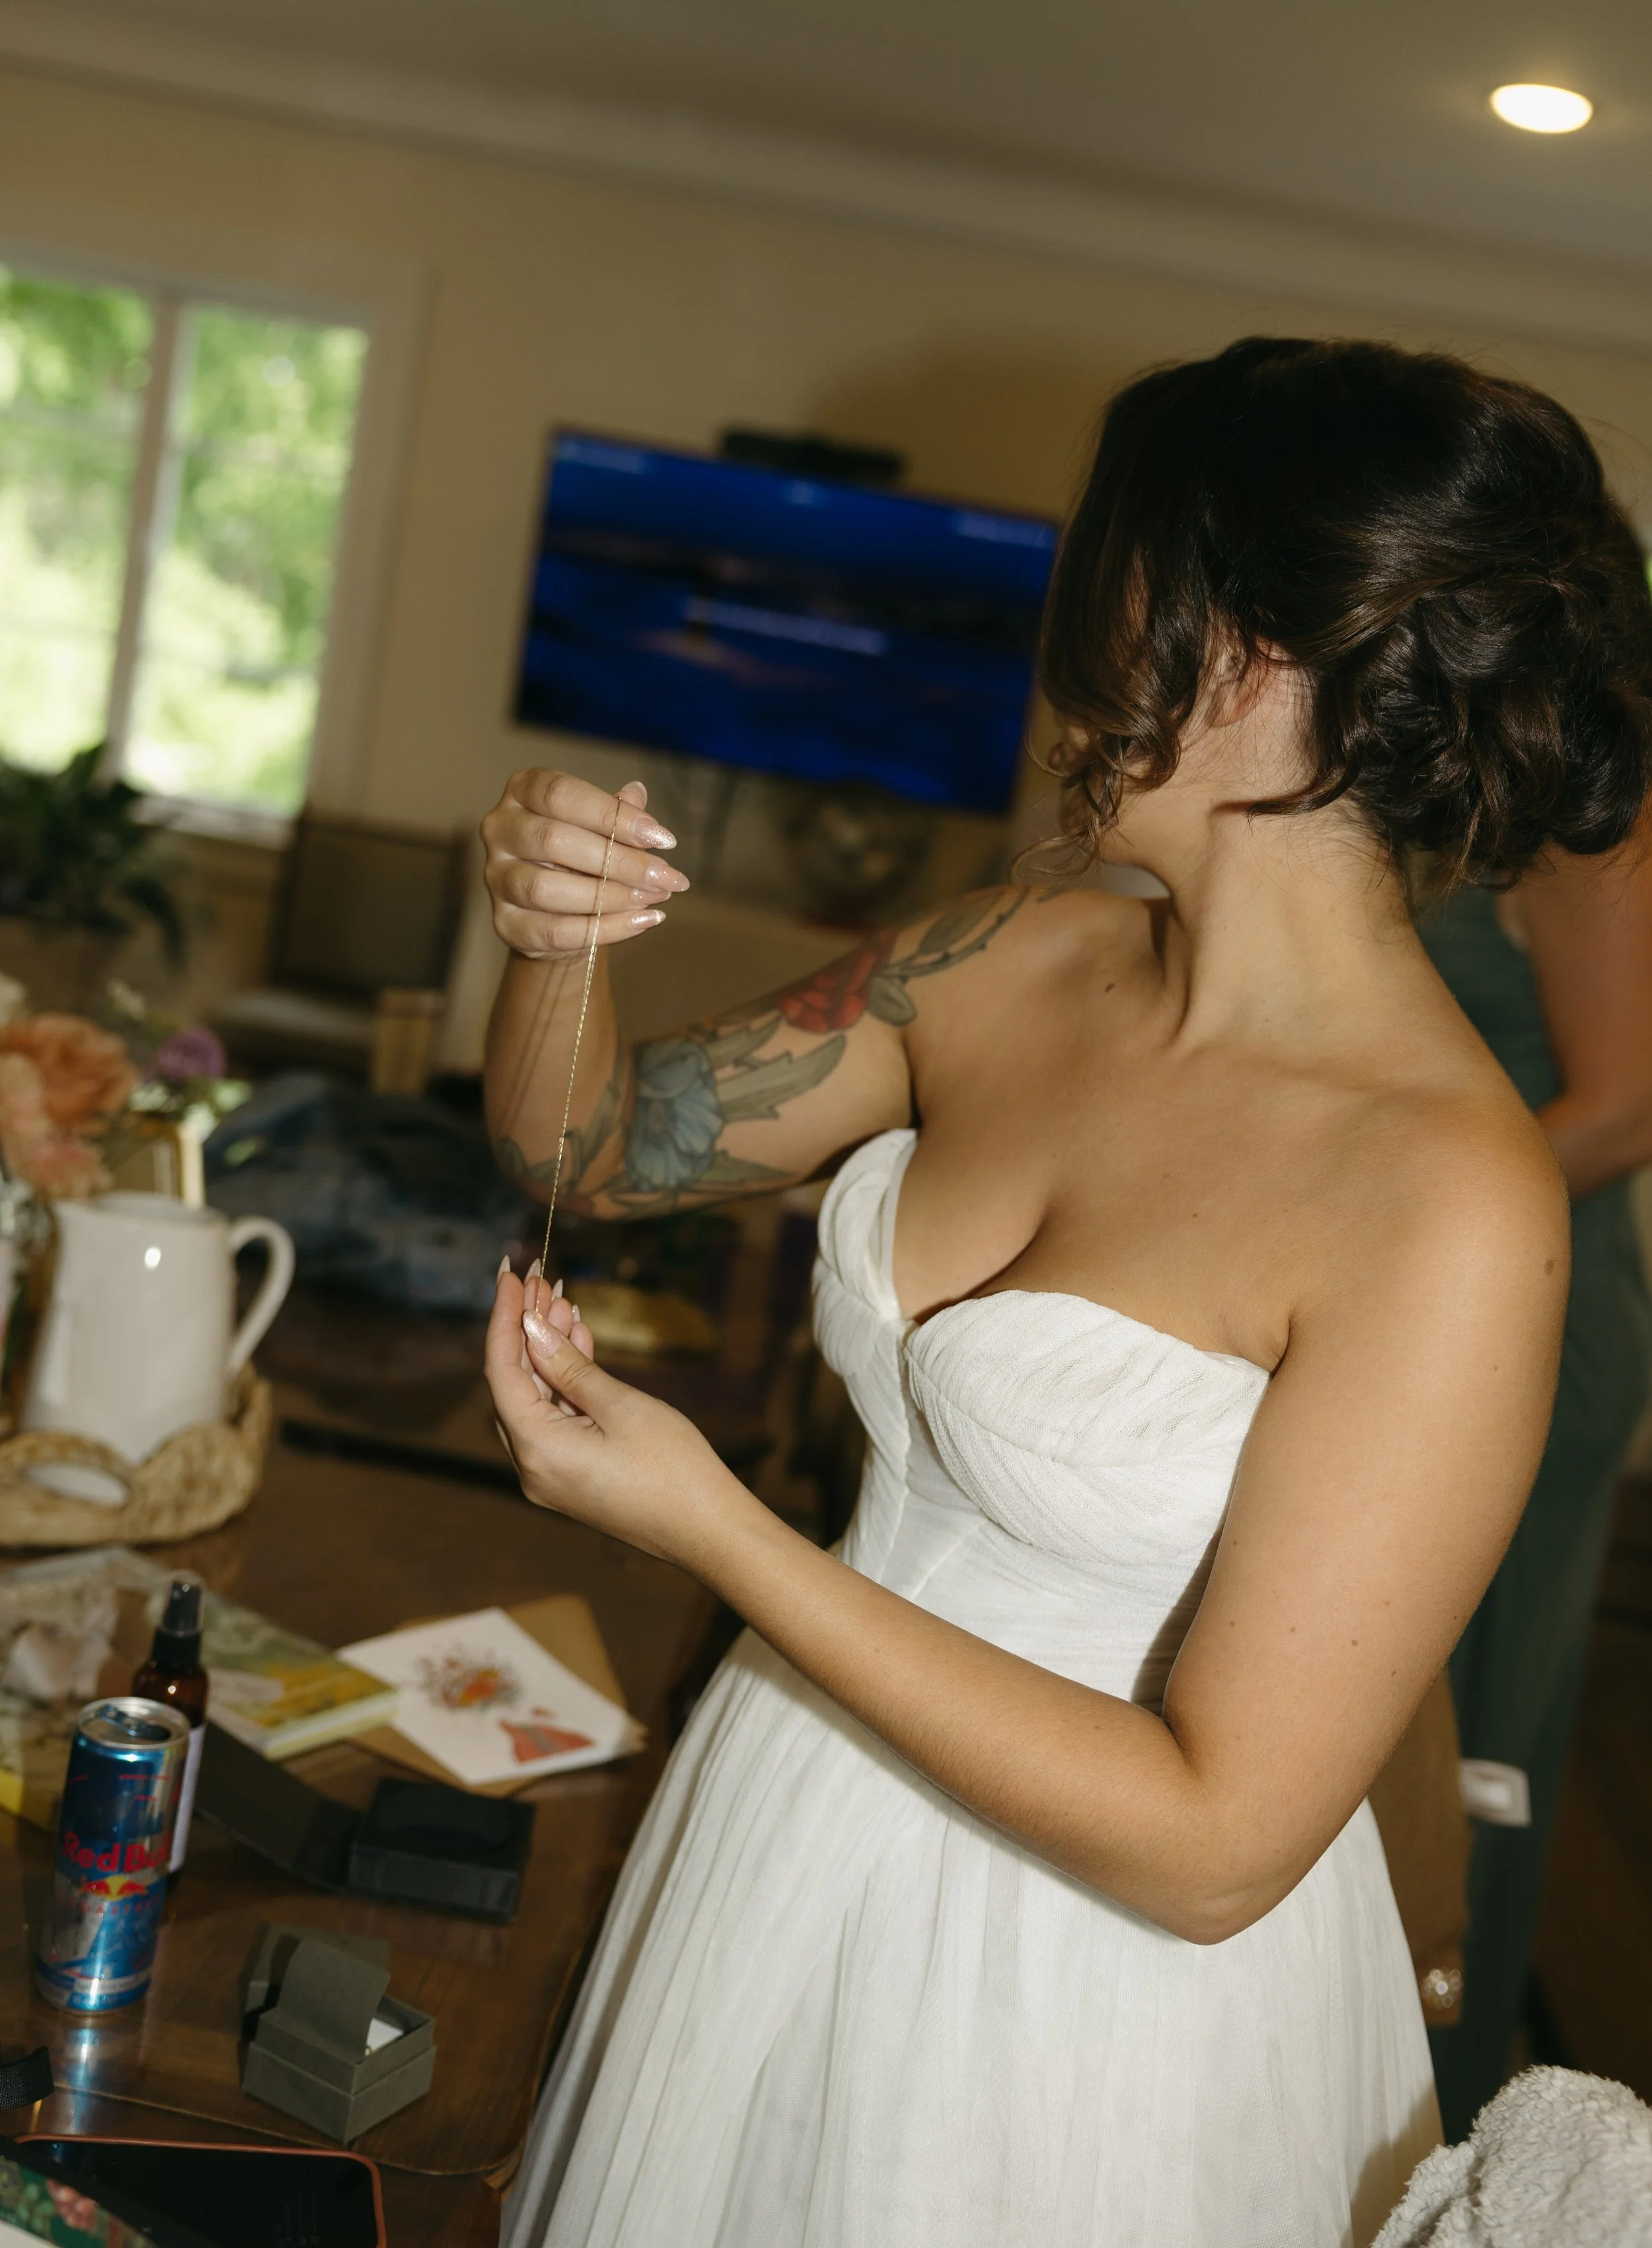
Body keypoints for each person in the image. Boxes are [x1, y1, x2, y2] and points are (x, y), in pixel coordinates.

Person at [480, 338, 1652, 2248]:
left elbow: (1211, 1848)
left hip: (1086, 2009)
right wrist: (553, 938)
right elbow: (587, 1150)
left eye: (1103, 577)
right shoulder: (1007, 955)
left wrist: (716, 1530)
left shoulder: (1448, 1202)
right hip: (780, 1820)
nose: (1057, 645)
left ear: (1248, 650)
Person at [1420, 839, 1652, 2136]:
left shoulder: (1595, 811)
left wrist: (1356, 1216)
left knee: (1459, 1752)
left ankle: (1421, 2133)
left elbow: (1622, 1110)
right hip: (1426, 1295)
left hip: (1519, 1320)